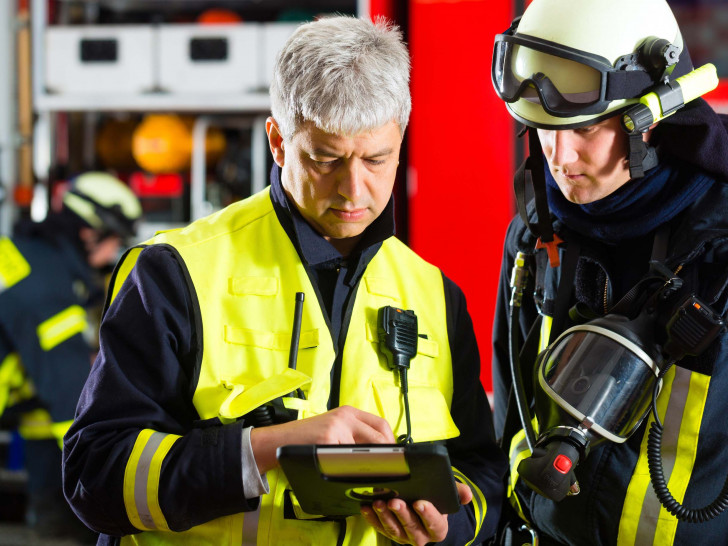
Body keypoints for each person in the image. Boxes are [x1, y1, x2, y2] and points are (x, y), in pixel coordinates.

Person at [62, 15, 507, 546]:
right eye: (326, 158)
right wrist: (264, 449)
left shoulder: (434, 295)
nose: (352, 190)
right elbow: (97, 477)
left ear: (401, 139)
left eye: (376, 159)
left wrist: (450, 525)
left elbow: (481, 475)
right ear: (277, 141)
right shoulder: (174, 273)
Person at [489, 0, 728, 544]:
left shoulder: (719, 247)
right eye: (542, 130)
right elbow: (510, 419)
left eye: (585, 129)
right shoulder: (536, 235)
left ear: (652, 117)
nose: (559, 156)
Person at [0, 171, 141, 541]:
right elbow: (69, 396)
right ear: (88, 232)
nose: (114, 253)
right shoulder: (49, 291)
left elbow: (40, 395)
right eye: (115, 240)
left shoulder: (24, 257)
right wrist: (109, 489)